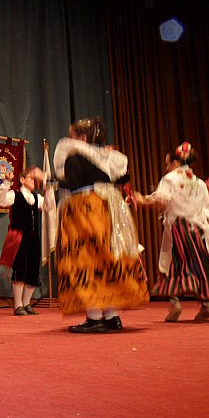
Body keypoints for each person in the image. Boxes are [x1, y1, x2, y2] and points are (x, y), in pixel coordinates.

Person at [54, 117, 149, 333]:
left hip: (85, 209)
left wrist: (48, 179)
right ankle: (111, 315)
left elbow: (72, 182)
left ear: (83, 138)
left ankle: (94, 316)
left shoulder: (76, 155)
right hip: (108, 207)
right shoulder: (108, 157)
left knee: (86, 258)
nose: (71, 140)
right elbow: (123, 177)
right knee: (107, 256)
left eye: (73, 136)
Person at [135, 141, 209, 321]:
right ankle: (205, 304)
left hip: (179, 227)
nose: (167, 167)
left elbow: (161, 201)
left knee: (174, 262)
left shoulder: (169, 179)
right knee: (198, 264)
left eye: (168, 163)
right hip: (199, 228)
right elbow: (208, 207)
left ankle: (175, 302)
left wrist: (142, 199)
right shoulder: (199, 182)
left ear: (175, 163)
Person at [0, 167, 44, 316]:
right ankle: (18, 305)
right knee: (20, 269)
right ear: (22, 180)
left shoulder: (37, 198)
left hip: (34, 237)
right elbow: (0, 200)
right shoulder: (14, 195)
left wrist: (47, 186)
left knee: (33, 270)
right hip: (19, 237)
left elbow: (48, 206)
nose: (33, 181)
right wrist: (6, 183)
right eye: (30, 178)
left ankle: (27, 303)